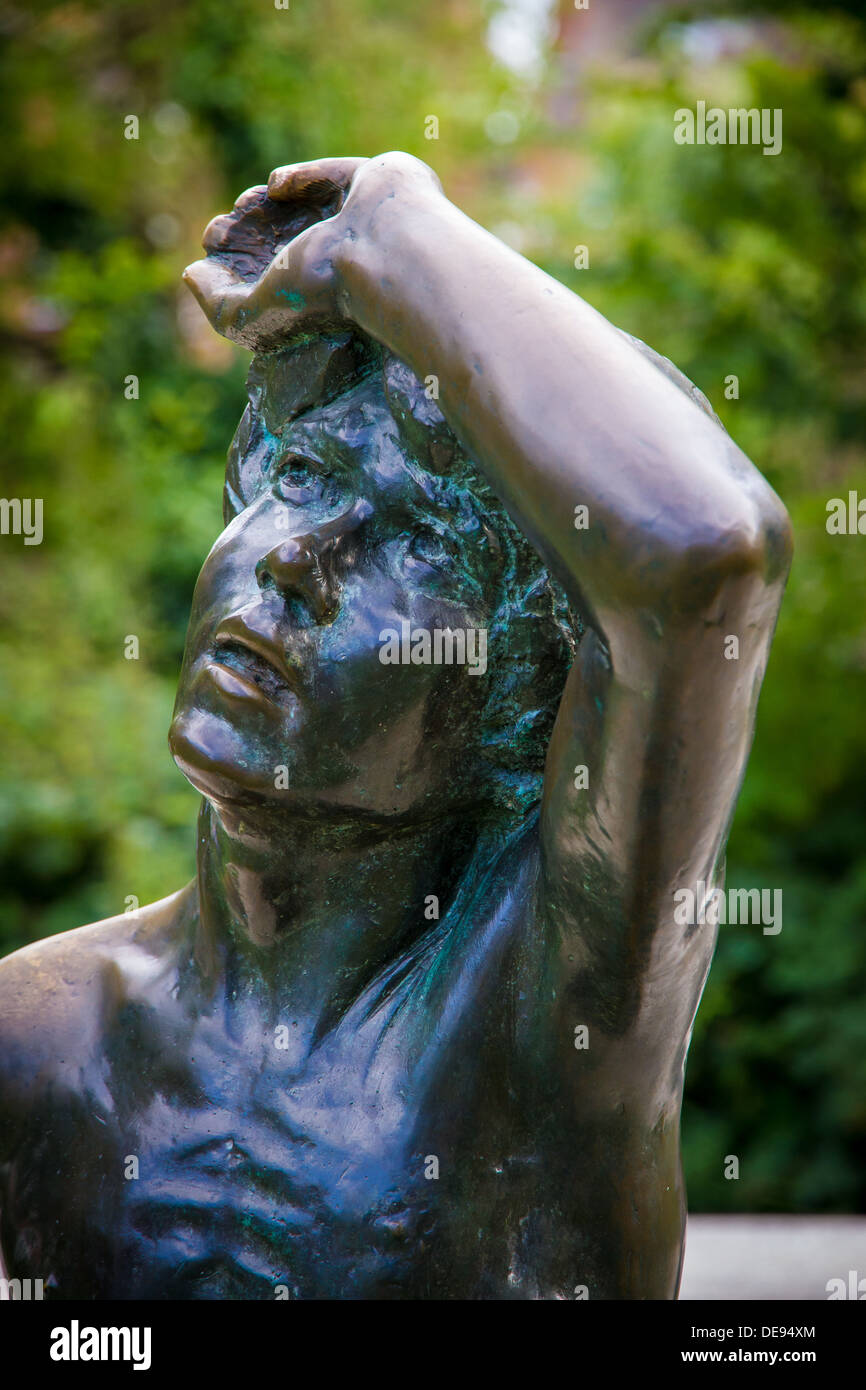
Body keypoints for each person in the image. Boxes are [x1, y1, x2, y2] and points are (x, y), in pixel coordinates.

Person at [0, 153, 792, 1299]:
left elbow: (699, 554)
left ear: (517, 692)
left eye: (415, 545)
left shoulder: (541, 1030)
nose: (293, 558)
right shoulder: (38, 1035)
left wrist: (394, 229)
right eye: (301, 477)